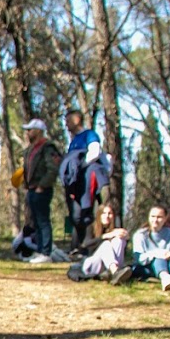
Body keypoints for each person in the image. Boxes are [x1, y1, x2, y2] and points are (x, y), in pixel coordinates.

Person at [58, 109, 110, 254]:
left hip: (89, 179)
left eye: (68, 121)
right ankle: (77, 247)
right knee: (76, 215)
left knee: (88, 212)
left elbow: (95, 151)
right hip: (77, 182)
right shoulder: (73, 141)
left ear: (76, 120)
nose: (66, 125)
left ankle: (89, 247)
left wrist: (81, 166)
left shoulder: (89, 135)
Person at [20, 118, 61, 264]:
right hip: (31, 189)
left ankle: (46, 252)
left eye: (30, 130)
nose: (27, 133)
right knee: (35, 222)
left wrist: (42, 186)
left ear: (38, 131)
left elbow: (53, 169)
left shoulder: (47, 148)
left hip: (41, 190)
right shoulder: (30, 150)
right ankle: (39, 251)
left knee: (43, 221)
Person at [66, 202, 134, 285]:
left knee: (119, 240)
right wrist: (104, 236)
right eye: (104, 213)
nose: (107, 216)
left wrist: (126, 238)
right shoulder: (91, 227)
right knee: (106, 244)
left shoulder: (115, 229)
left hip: (106, 266)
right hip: (92, 264)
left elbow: (122, 249)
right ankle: (115, 272)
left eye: (110, 213)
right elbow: (85, 244)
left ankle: (115, 273)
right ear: (99, 215)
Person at [132, 204, 170, 291]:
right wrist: (158, 253)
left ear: (165, 218)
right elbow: (139, 258)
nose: (155, 220)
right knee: (159, 258)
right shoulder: (140, 235)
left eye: (159, 217)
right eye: (153, 216)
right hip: (148, 266)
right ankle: (165, 278)